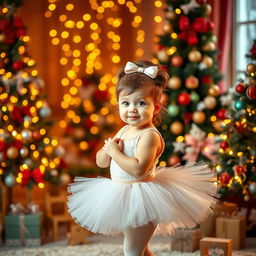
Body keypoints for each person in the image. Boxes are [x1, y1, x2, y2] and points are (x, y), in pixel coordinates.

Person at [67, 60, 218, 256]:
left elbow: (139, 168)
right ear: (118, 104)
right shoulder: (124, 129)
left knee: (131, 249)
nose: (132, 109)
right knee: (140, 248)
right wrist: (107, 152)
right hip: (122, 195)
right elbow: (101, 162)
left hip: (143, 198)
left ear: (155, 108)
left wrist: (115, 153)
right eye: (126, 103)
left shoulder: (149, 135)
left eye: (140, 103)